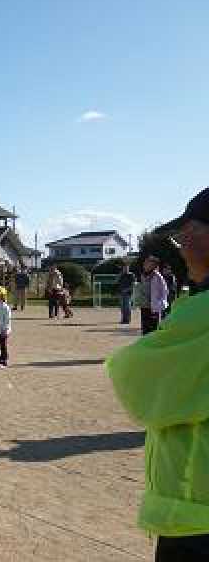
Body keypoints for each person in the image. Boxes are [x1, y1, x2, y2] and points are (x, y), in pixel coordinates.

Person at [106, 186, 209, 560]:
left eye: (187, 234)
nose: (181, 247)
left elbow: (136, 380)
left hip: (197, 513)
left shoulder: (201, 314)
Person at [139, 255, 169, 335]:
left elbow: (165, 291)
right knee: (145, 330)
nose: (144, 264)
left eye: (147, 263)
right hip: (145, 306)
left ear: (152, 265)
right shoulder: (143, 275)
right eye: (144, 262)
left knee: (153, 330)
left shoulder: (157, 277)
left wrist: (159, 304)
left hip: (154, 308)